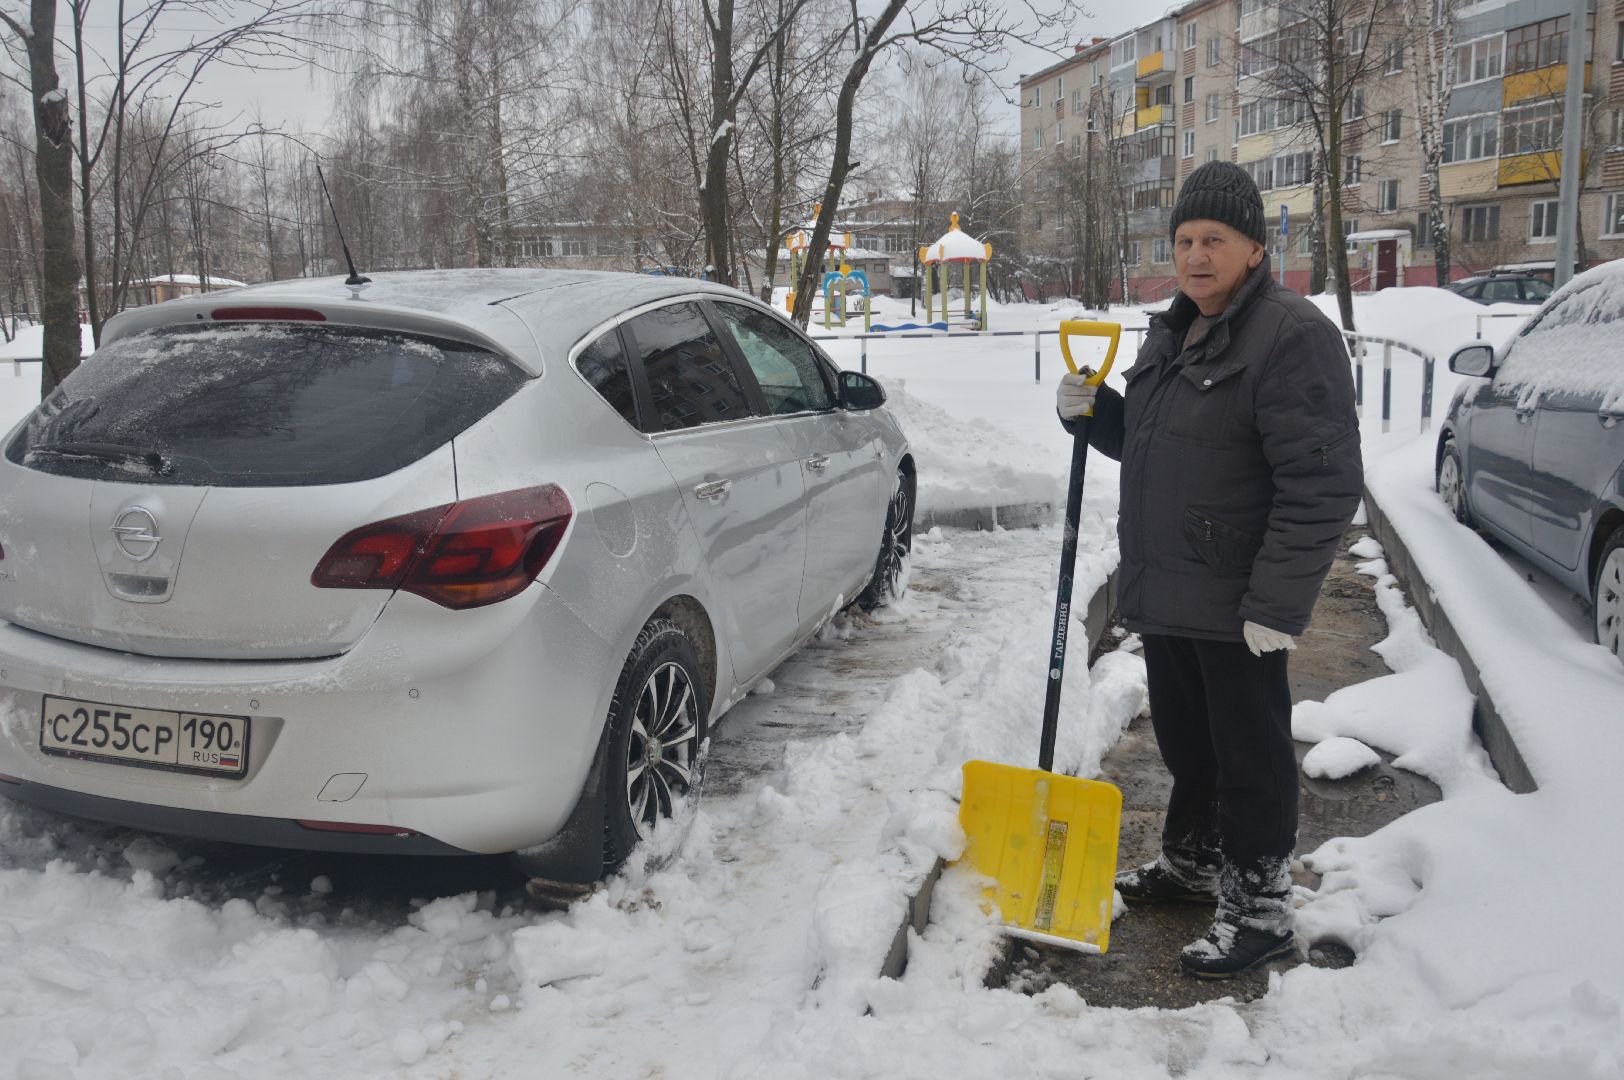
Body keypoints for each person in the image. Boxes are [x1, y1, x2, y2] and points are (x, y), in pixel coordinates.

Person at [1056, 161, 1362, 979]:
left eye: (1214, 240)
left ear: (1255, 249)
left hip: (1239, 600)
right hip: (1170, 587)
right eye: (1185, 240)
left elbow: (1323, 483)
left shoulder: (1292, 337)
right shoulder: (1175, 327)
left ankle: (1260, 908)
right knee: (1192, 745)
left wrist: (1277, 602)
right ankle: (1194, 865)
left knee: (1249, 757)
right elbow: (1159, 445)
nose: (1195, 255)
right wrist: (1097, 417)